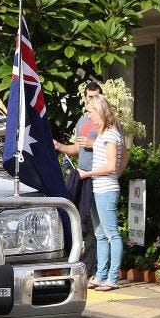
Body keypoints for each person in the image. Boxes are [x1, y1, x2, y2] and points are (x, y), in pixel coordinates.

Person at [55, 82, 103, 277]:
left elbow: (116, 148)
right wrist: (60, 146)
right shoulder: (83, 121)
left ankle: (94, 270)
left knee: (95, 228)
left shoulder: (107, 121)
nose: (91, 100)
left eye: (95, 97)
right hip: (82, 177)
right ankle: (86, 266)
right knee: (80, 223)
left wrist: (94, 143)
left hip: (98, 177)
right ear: (84, 99)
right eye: (88, 97)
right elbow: (78, 149)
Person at [77, 94, 124, 291]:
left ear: (99, 111)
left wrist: (88, 173)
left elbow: (112, 165)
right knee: (100, 234)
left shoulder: (111, 134)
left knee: (111, 234)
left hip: (106, 189)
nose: (89, 116)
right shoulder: (104, 133)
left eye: (91, 111)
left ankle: (112, 277)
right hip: (98, 188)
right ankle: (101, 274)